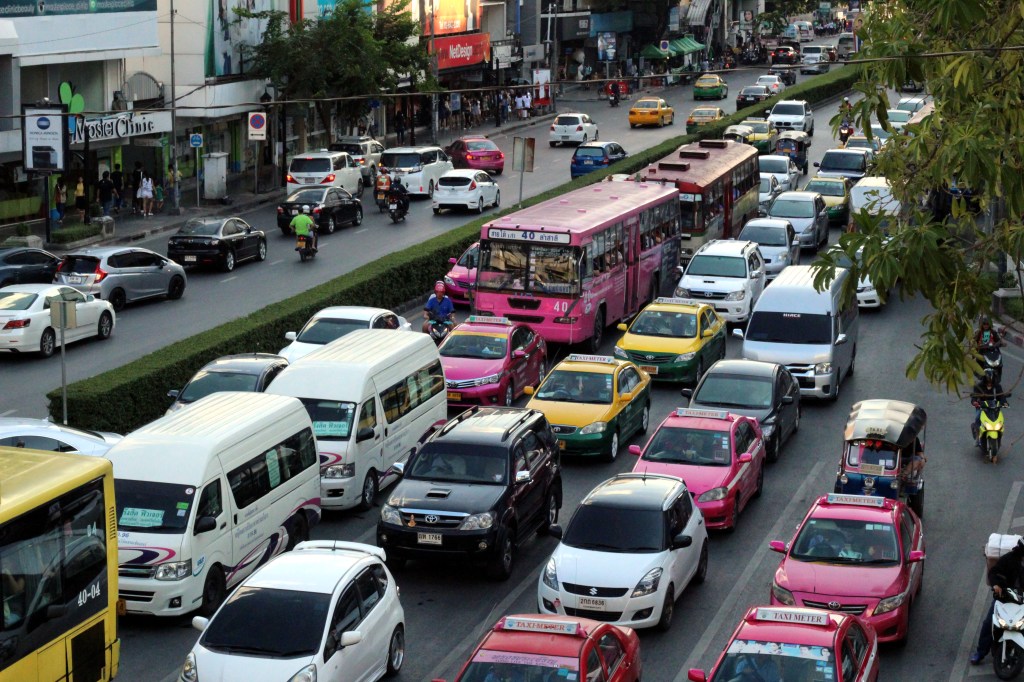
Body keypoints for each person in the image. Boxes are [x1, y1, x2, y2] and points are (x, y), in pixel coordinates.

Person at [972, 538, 1024, 664]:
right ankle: (980, 652)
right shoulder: (1009, 559)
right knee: (989, 623)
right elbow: (994, 572)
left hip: (1022, 601)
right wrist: (996, 585)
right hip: (1005, 598)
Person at [972, 368, 1007, 446]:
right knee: (977, 418)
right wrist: (974, 402)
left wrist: (1004, 402)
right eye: (988, 381)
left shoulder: (997, 386)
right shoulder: (978, 386)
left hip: (994, 407)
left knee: (1001, 420)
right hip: (982, 407)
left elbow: (1002, 396)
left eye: (991, 381)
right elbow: (974, 396)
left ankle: (999, 436)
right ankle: (978, 438)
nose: (989, 383)